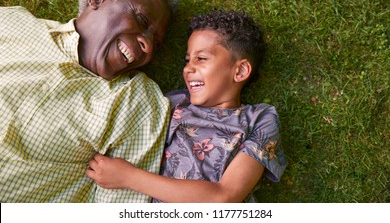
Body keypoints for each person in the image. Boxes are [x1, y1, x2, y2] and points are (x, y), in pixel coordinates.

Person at [0, 0, 180, 203]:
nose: (147, 46)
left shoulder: (134, 101)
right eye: (140, 19)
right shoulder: (12, 23)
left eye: (155, 43)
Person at [86, 10, 287, 202]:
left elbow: (224, 197)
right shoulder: (173, 103)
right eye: (187, 59)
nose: (188, 68)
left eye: (201, 58)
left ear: (240, 71)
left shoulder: (260, 120)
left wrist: (128, 177)